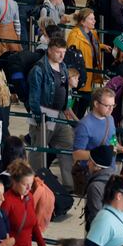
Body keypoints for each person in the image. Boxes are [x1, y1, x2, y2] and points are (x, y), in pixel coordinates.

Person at [27, 36, 74, 190]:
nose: (61, 55)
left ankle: (69, 184)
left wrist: (67, 107)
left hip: (59, 113)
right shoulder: (38, 69)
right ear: (49, 51)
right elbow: (33, 98)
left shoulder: (64, 67)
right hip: (44, 114)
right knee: (39, 150)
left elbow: (66, 90)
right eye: (58, 52)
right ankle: (35, 183)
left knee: (67, 146)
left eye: (63, 52)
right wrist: (39, 117)